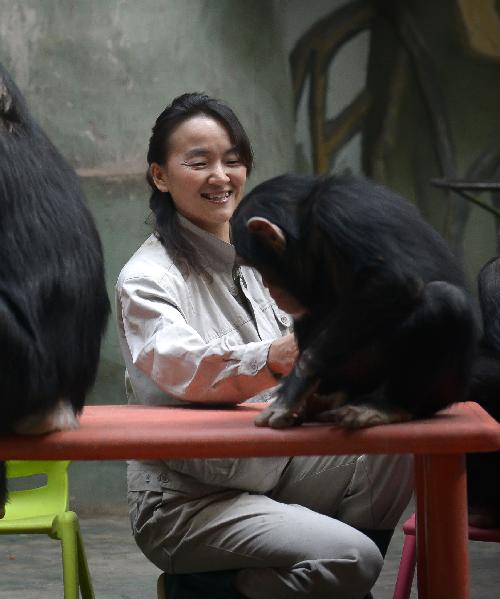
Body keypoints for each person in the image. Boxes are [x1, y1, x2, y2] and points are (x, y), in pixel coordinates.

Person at [116, 94, 413, 599]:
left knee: (397, 444)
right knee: (353, 558)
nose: (221, 175)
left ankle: (332, 583)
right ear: (160, 176)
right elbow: (180, 366)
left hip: (272, 467)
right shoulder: (146, 277)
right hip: (190, 502)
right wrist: (277, 357)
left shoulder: (258, 252)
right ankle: (204, 590)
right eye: (199, 161)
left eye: (233, 160)